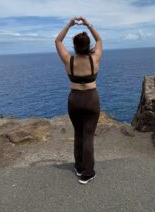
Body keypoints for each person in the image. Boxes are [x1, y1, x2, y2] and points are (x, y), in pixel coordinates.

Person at [55, 16, 102, 184]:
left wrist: (69, 24)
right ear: (88, 45)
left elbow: (58, 40)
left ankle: (79, 166)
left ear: (74, 46)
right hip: (91, 99)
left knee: (78, 133)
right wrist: (88, 23)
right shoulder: (94, 58)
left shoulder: (69, 60)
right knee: (88, 136)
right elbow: (99, 39)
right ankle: (87, 173)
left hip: (75, 100)